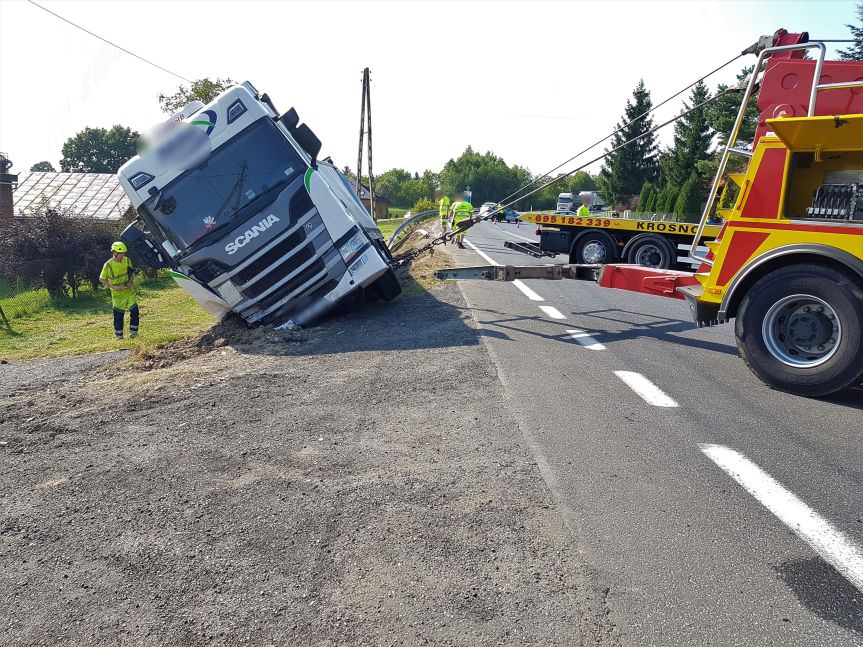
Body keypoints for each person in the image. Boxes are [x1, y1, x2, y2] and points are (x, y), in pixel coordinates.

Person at [100, 242, 139, 339]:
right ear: (114, 252)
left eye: (123, 253)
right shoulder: (108, 265)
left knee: (134, 311)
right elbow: (102, 279)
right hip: (117, 294)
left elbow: (131, 273)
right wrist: (113, 287)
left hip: (129, 291)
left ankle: (133, 333)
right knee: (118, 316)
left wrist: (131, 282)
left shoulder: (127, 260)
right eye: (120, 253)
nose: (122, 255)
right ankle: (119, 336)